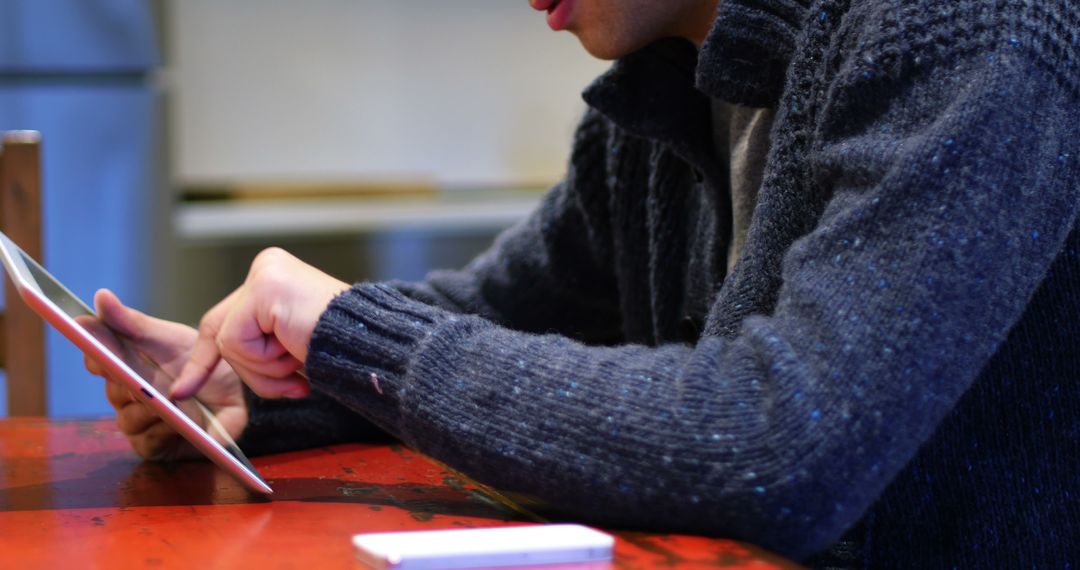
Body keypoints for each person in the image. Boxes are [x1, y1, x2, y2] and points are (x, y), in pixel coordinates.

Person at [84, 0, 1080, 566]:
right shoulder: (662, 86)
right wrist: (261, 384)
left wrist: (347, 333)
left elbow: (780, 441)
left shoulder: (971, 27)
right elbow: (493, 317)